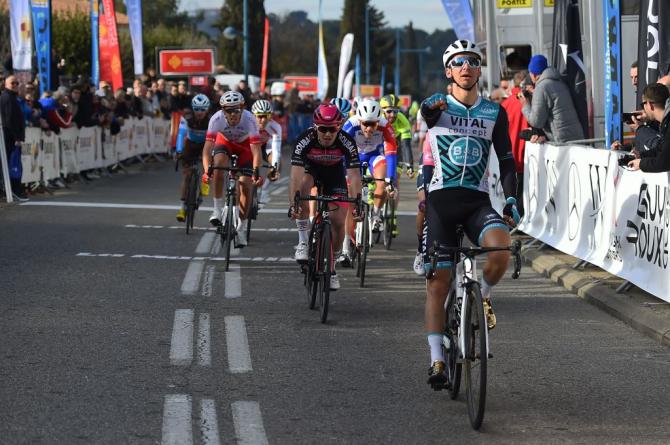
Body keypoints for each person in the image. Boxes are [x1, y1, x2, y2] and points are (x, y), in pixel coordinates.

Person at [421, 40, 519, 386]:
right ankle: (436, 360)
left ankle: (483, 297)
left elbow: (506, 160)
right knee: (439, 282)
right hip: (442, 203)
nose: (466, 67)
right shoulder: (437, 106)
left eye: (473, 62)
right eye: (458, 62)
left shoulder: (494, 112)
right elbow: (427, 112)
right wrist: (428, 108)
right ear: (449, 70)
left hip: (477, 201)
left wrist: (510, 199)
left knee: (500, 250)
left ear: (479, 70)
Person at [289, 104, 362, 290]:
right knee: (304, 187)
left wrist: (357, 205)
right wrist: (294, 203)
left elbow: (354, 176)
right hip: (311, 170)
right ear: (315, 128)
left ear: (339, 127)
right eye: (323, 129)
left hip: (334, 174)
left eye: (333, 129)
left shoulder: (347, 141)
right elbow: (295, 175)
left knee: (339, 220)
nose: (328, 134)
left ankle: (332, 265)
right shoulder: (305, 139)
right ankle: (303, 242)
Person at [202, 91, 263, 247]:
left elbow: (256, 151)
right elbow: (207, 149)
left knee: (246, 186)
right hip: (225, 143)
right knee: (219, 164)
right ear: (223, 110)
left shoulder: (250, 119)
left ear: (242, 108)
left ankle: (241, 228)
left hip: (244, 147)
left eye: (237, 110)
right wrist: (206, 171)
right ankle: (216, 209)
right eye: (229, 110)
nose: (233, 114)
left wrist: (256, 171)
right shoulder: (216, 119)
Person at [520, 54, 585, 143]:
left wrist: (525, 105)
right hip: (576, 135)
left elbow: (536, 122)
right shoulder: (559, 81)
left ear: (534, 74)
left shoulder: (541, 87)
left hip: (562, 141)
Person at [175, 94, 212, 222]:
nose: (199, 112)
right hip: (190, 145)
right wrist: (179, 150)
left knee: (208, 164)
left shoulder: (211, 120)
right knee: (186, 174)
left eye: (203, 109)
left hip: (205, 145)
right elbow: (181, 134)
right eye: (197, 108)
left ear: (207, 109)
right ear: (193, 108)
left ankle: (205, 181)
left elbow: (216, 138)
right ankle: (181, 207)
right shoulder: (187, 117)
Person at [627, 83, 670, 172]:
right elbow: (661, 149)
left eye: (643, 105)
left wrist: (640, 164)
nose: (643, 109)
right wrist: (641, 155)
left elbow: (663, 162)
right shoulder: (666, 123)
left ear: (649, 105)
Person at [1, 75, 28, 200]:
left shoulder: (12, 98)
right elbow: (9, 121)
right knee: (12, 166)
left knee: (12, 165)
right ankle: (12, 191)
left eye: (17, 83)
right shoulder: (7, 98)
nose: (16, 85)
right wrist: (17, 137)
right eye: (13, 83)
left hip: (11, 138)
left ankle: (11, 190)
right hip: (9, 139)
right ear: (6, 84)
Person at [251, 99, 282, 204]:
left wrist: (274, 167)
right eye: (260, 116)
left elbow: (276, 149)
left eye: (267, 116)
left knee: (278, 162)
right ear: (253, 115)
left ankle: (264, 191)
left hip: (266, 147)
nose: (263, 120)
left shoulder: (276, 127)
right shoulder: (248, 124)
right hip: (250, 146)